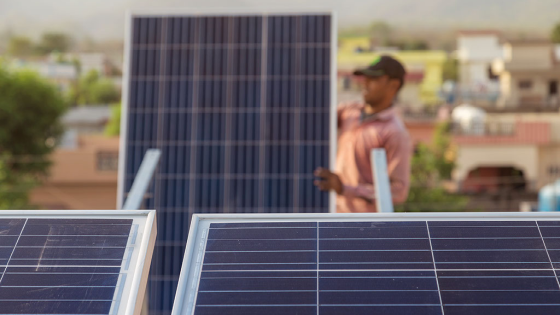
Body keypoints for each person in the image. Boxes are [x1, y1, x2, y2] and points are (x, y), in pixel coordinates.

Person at [314, 55, 412, 212]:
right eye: (366, 78)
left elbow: (398, 192)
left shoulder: (395, 133)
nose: (365, 83)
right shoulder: (349, 112)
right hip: (333, 217)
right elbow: (313, 118)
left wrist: (345, 189)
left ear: (394, 85)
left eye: (374, 79)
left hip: (364, 226)